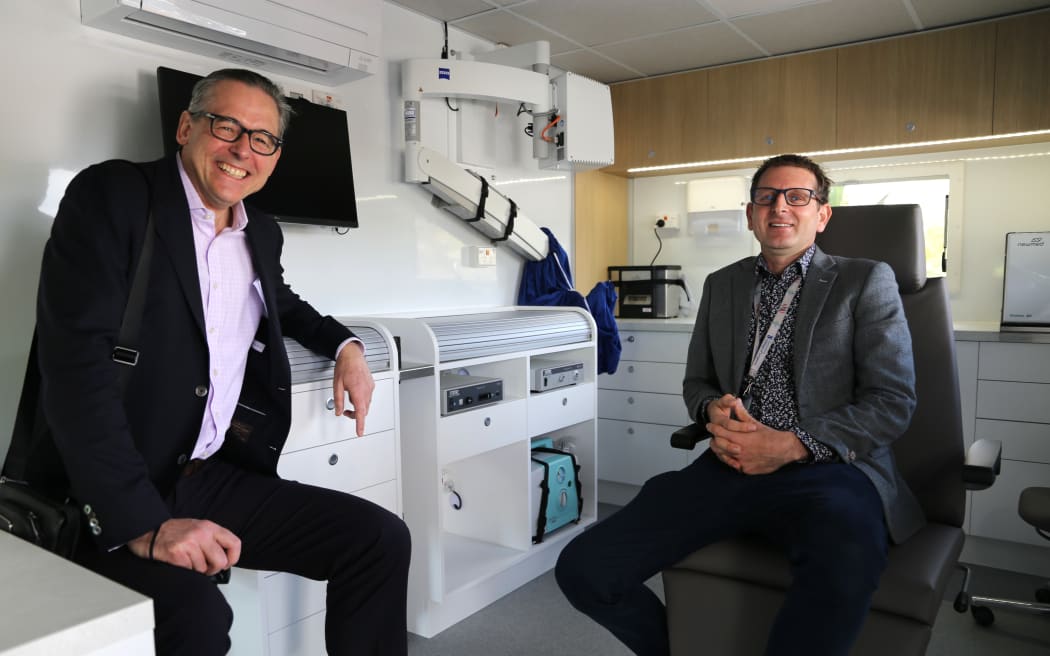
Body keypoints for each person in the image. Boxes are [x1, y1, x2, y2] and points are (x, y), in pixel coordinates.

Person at [11, 69, 410, 655]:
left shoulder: (260, 232)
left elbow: (281, 303)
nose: (243, 149)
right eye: (226, 126)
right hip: (103, 486)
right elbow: (75, 371)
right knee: (196, 616)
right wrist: (142, 523)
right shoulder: (117, 196)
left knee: (378, 539)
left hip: (204, 475)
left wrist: (347, 347)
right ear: (185, 127)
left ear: (275, 156)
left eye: (262, 138)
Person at [555, 153, 923, 656]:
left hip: (831, 470)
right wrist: (711, 409)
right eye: (767, 197)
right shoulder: (723, 284)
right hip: (729, 464)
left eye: (798, 197)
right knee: (585, 569)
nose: (780, 207)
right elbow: (697, 382)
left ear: (822, 214)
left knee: (844, 564)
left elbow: (891, 401)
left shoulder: (864, 281)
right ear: (751, 214)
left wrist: (792, 445)